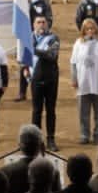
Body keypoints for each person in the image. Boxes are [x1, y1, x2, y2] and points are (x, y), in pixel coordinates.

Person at [71, 18, 98, 146]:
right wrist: (74, 78)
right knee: (83, 112)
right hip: (83, 83)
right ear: (83, 30)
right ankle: (84, 135)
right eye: (87, 28)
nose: (90, 31)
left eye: (92, 28)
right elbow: (73, 62)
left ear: (96, 29)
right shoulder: (78, 43)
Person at [26, 16, 62, 151]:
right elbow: (23, 56)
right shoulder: (28, 38)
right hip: (35, 78)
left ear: (47, 24)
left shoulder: (53, 38)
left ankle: (51, 139)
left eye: (43, 22)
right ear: (33, 25)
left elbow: (52, 55)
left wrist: (34, 49)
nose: (41, 25)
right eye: (38, 22)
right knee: (36, 110)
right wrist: (25, 69)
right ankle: (36, 140)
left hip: (51, 79)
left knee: (50, 110)